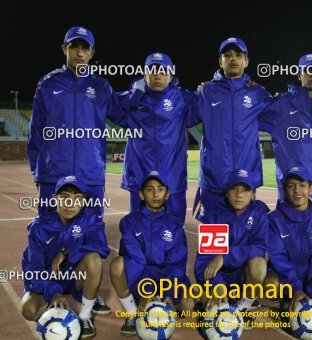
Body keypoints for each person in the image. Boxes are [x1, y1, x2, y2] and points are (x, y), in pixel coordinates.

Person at [27, 26, 120, 313]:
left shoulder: (102, 88)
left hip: (90, 176)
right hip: (53, 175)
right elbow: (36, 132)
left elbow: (125, 112)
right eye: (74, 46)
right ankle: (49, 290)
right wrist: (38, 171)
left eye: (85, 48)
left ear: (92, 53)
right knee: (49, 234)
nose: (80, 52)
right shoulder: (47, 84)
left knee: (91, 234)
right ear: (64, 48)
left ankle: (86, 293)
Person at [191, 37, 272, 221]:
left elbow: (283, 119)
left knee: (243, 239)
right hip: (214, 181)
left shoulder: (258, 94)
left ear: (246, 61)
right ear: (220, 61)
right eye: (227, 55)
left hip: (245, 182)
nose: (233, 59)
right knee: (212, 245)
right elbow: (179, 115)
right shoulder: (206, 92)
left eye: (238, 55)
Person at [19, 176, 110, 338]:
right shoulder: (39, 227)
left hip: (74, 277)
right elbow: (32, 271)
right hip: (47, 278)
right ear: (55, 200)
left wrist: (67, 253)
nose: (70, 204)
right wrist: (52, 292)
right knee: (28, 310)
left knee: (93, 259)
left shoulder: (89, 219)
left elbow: (101, 246)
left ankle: (85, 315)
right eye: (65, 198)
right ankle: (55, 308)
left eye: (77, 199)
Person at [115, 52, 198, 224]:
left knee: (174, 229)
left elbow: (213, 100)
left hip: (172, 176)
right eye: (152, 71)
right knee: (138, 230)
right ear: (144, 75)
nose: (157, 75)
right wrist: (134, 96)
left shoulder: (183, 98)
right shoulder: (131, 99)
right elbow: (104, 105)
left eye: (163, 71)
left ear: (170, 76)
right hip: (140, 176)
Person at [109, 173, 193, 335]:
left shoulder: (174, 224)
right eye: (150, 189)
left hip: (166, 278)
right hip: (139, 276)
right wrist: (146, 292)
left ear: (167, 194)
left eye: (160, 189)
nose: (155, 194)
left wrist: (168, 293)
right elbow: (135, 258)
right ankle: (132, 312)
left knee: (187, 306)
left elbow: (177, 262)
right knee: (117, 264)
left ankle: (162, 305)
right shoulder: (130, 222)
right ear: (141, 194)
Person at [259, 53, 312, 207]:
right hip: (294, 190)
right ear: (299, 75)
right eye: (307, 70)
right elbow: (245, 114)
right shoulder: (281, 104)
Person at [194, 169, 269, 328]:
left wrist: (224, 256)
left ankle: (245, 304)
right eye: (234, 189)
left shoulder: (259, 213)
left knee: (259, 264)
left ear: (253, 193)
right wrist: (217, 286)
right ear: (226, 192)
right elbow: (204, 262)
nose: (239, 194)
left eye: (245, 190)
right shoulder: (214, 217)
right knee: (208, 306)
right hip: (219, 278)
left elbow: (259, 248)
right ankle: (224, 301)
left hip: (242, 277)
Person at [264, 166, 312, 314]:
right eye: (291, 186)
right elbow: (279, 259)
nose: (297, 191)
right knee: (270, 286)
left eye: (302, 185)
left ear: (311, 189)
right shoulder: (274, 220)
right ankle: (290, 299)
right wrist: (295, 289)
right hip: (285, 276)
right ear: (284, 191)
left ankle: (306, 298)